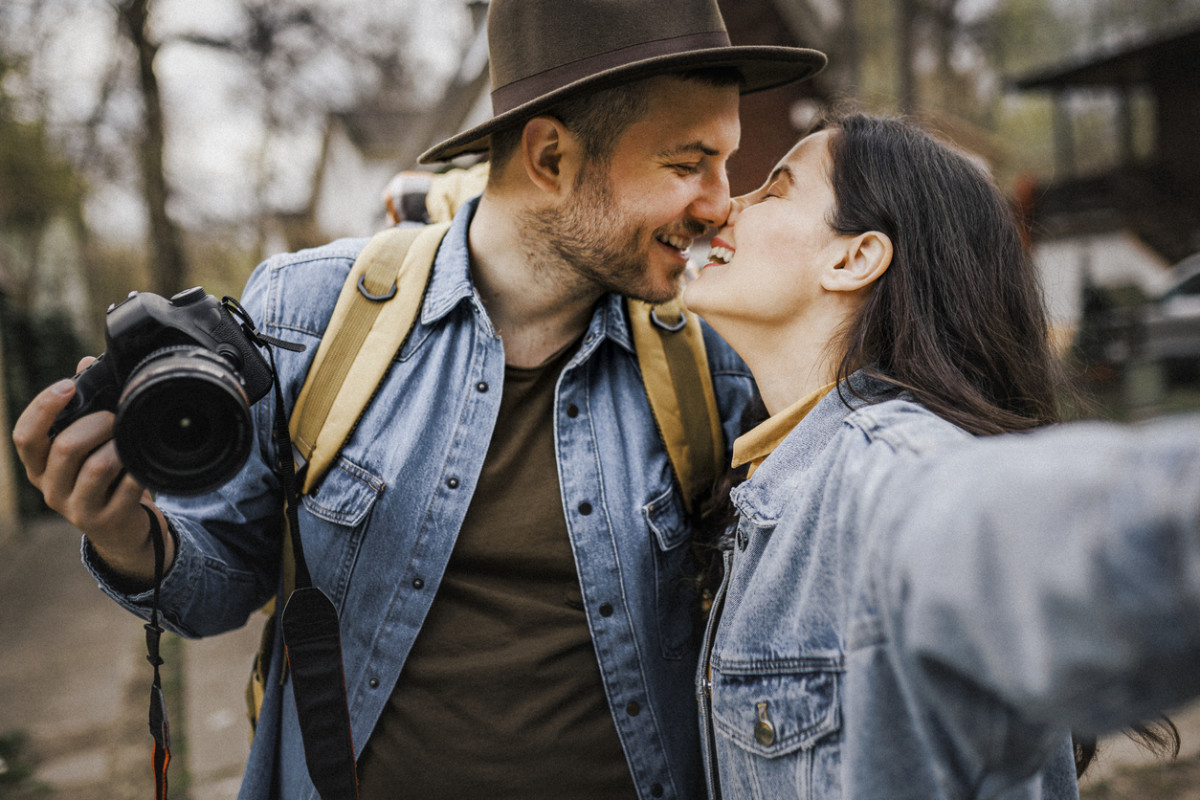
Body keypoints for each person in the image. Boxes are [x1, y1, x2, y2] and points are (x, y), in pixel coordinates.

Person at [10, 2, 827, 799]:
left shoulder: (712, 358)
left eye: (726, 161)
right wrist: (123, 532)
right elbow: (219, 587)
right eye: (689, 164)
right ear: (550, 158)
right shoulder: (308, 317)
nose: (723, 202)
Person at [681, 112, 1199, 800]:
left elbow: (1066, 530)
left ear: (852, 257)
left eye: (774, 189)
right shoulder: (774, 485)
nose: (724, 206)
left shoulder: (885, 472)